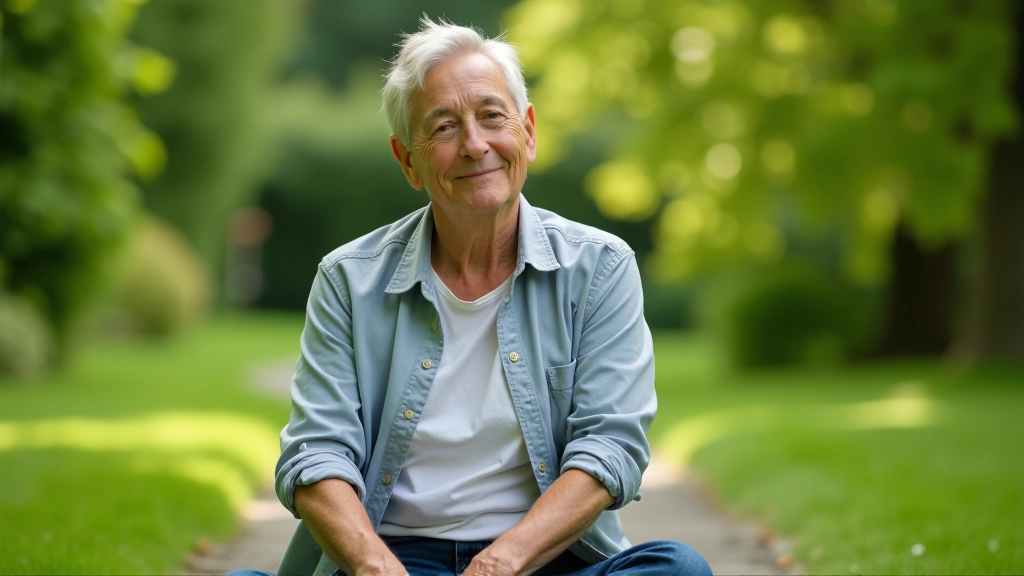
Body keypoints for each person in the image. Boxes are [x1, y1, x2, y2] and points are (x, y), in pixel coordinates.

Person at [272, 17, 713, 576]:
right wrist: (373, 567)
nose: (475, 145)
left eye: (491, 116)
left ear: (527, 130)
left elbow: (610, 447)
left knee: (678, 569)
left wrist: (501, 562)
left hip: (545, 558)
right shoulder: (347, 280)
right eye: (444, 127)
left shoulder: (600, 267)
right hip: (393, 559)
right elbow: (315, 455)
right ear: (408, 160)